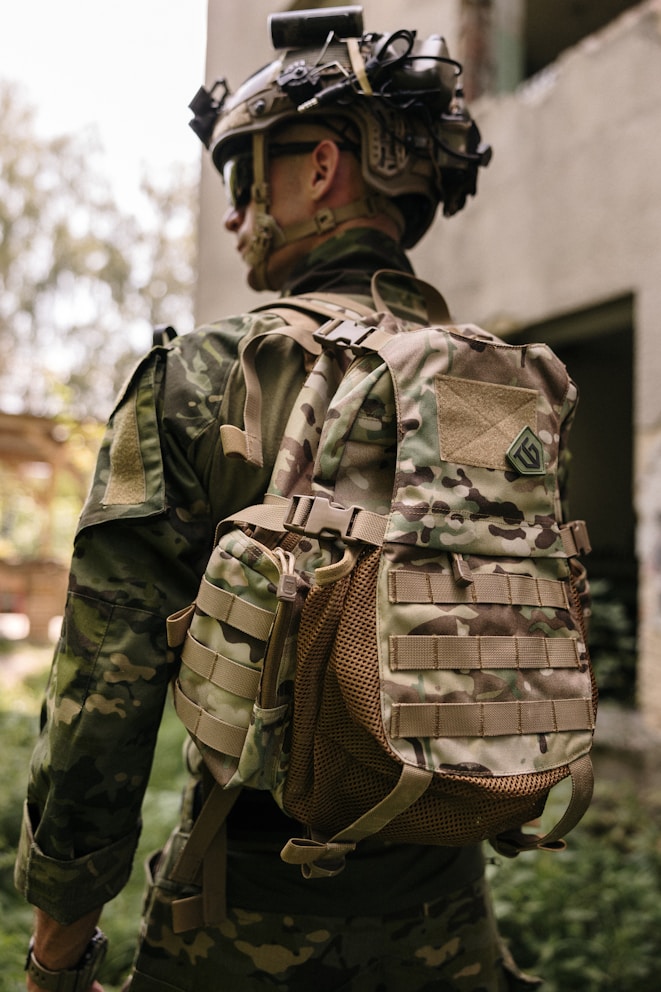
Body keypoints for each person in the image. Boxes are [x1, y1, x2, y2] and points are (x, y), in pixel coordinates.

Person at [16, 7, 541, 990]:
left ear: (320, 168)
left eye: (238, 178)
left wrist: (57, 951)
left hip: (239, 920)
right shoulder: (497, 388)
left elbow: (103, 694)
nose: (231, 216)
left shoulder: (204, 374)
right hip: (451, 918)